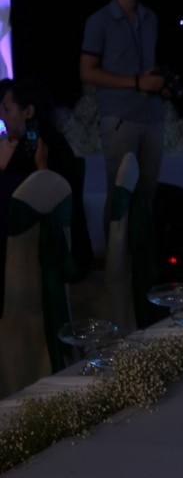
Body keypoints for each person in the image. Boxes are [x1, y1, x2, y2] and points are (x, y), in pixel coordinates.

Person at [79, 0, 166, 231]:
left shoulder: (150, 18)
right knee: (120, 191)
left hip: (151, 116)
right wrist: (135, 82)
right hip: (120, 118)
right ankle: (117, 257)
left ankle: (143, 253)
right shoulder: (100, 21)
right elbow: (87, 72)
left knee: (147, 191)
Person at [0, 76, 93, 312]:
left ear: (28, 111)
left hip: (56, 256)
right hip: (60, 250)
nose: (2, 117)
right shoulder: (47, 140)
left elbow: (16, 204)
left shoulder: (38, 149)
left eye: (7, 110)